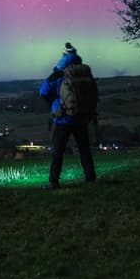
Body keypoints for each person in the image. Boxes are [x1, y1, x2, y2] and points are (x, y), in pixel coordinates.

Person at [39, 42, 97, 189]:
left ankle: (54, 181)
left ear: (63, 56)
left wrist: (55, 104)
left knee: (58, 150)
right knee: (84, 149)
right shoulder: (85, 72)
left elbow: (43, 92)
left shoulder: (59, 73)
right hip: (82, 116)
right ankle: (90, 178)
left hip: (63, 118)